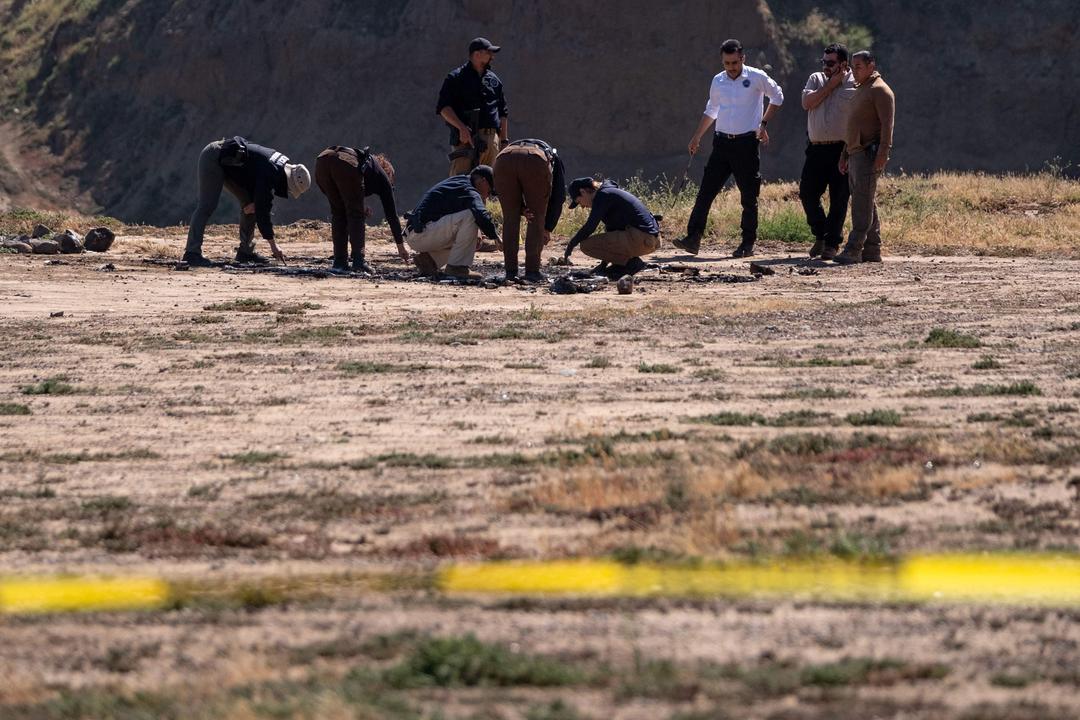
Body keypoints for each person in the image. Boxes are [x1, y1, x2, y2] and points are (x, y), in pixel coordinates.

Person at [674, 38, 784, 259]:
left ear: (742, 58)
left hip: (746, 144)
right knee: (705, 192)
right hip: (722, 144)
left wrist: (763, 124)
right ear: (722, 61)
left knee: (748, 197)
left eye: (735, 62)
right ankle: (693, 238)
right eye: (727, 63)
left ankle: (747, 244)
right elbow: (712, 109)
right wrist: (697, 136)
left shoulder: (756, 77)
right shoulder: (718, 80)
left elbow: (777, 96)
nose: (731, 67)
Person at [183, 136, 310, 267]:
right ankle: (191, 253)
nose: (288, 191)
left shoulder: (277, 166)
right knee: (207, 206)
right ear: (288, 181)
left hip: (230, 164)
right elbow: (263, 212)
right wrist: (273, 245)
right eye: (290, 188)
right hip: (214, 157)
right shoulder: (271, 171)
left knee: (252, 205)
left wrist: (256, 204)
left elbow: (262, 200)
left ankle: (245, 252)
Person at [835, 50, 895, 265]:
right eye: (852, 67)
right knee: (864, 198)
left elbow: (887, 126)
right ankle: (872, 249)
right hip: (855, 152)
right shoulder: (861, 89)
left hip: (869, 152)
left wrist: (883, 153)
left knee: (862, 201)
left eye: (858, 66)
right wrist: (845, 154)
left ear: (871, 65)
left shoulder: (880, 90)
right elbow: (852, 124)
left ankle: (854, 248)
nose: (854, 71)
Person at [800, 43, 856, 260]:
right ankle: (821, 234)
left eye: (830, 63)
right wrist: (830, 85)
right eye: (823, 62)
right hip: (816, 148)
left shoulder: (855, 83)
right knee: (807, 193)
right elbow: (807, 102)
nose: (825, 66)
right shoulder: (816, 79)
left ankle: (831, 244)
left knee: (839, 198)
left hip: (842, 149)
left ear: (844, 64)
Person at [314, 145, 409, 274]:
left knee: (338, 213)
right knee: (355, 215)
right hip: (344, 161)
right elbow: (392, 215)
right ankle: (359, 261)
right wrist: (401, 247)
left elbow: (348, 191)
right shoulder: (383, 177)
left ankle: (339, 262)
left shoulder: (367, 165)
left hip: (322, 161)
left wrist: (359, 205)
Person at [403, 165, 502, 280]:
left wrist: (476, 235)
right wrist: (496, 237)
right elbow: (481, 215)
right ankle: (457, 267)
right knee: (471, 215)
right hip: (420, 234)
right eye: (490, 191)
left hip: (417, 233)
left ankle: (430, 260)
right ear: (483, 181)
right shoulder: (470, 190)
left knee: (472, 238)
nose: (488, 196)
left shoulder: (459, 182)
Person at [493, 138, 566, 283]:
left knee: (509, 218)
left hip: (503, 158)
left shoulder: (512, 150)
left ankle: (510, 272)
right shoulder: (554, 158)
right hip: (535, 160)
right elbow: (559, 196)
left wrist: (519, 209)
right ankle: (532, 271)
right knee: (536, 216)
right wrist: (547, 227)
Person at [436, 37, 509, 177]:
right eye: (488, 53)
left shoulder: (494, 80)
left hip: (492, 140)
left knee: (489, 184)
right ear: (476, 54)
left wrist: (504, 141)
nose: (492, 56)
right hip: (466, 140)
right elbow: (444, 108)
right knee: (461, 182)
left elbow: (503, 113)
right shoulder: (456, 78)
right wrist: (461, 128)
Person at [563, 177, 661, 277]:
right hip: (651, 240)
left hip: (642, 239)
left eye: (579, 201)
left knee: (586, 245)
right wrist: (603, 265)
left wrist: (571, 244)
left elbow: (590, 227)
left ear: (583, 192)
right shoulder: (609, 192)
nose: (582, 206)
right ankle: (623, 265)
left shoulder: (602, 195)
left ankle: (631, 264)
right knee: (606, 236)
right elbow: (611, 235)